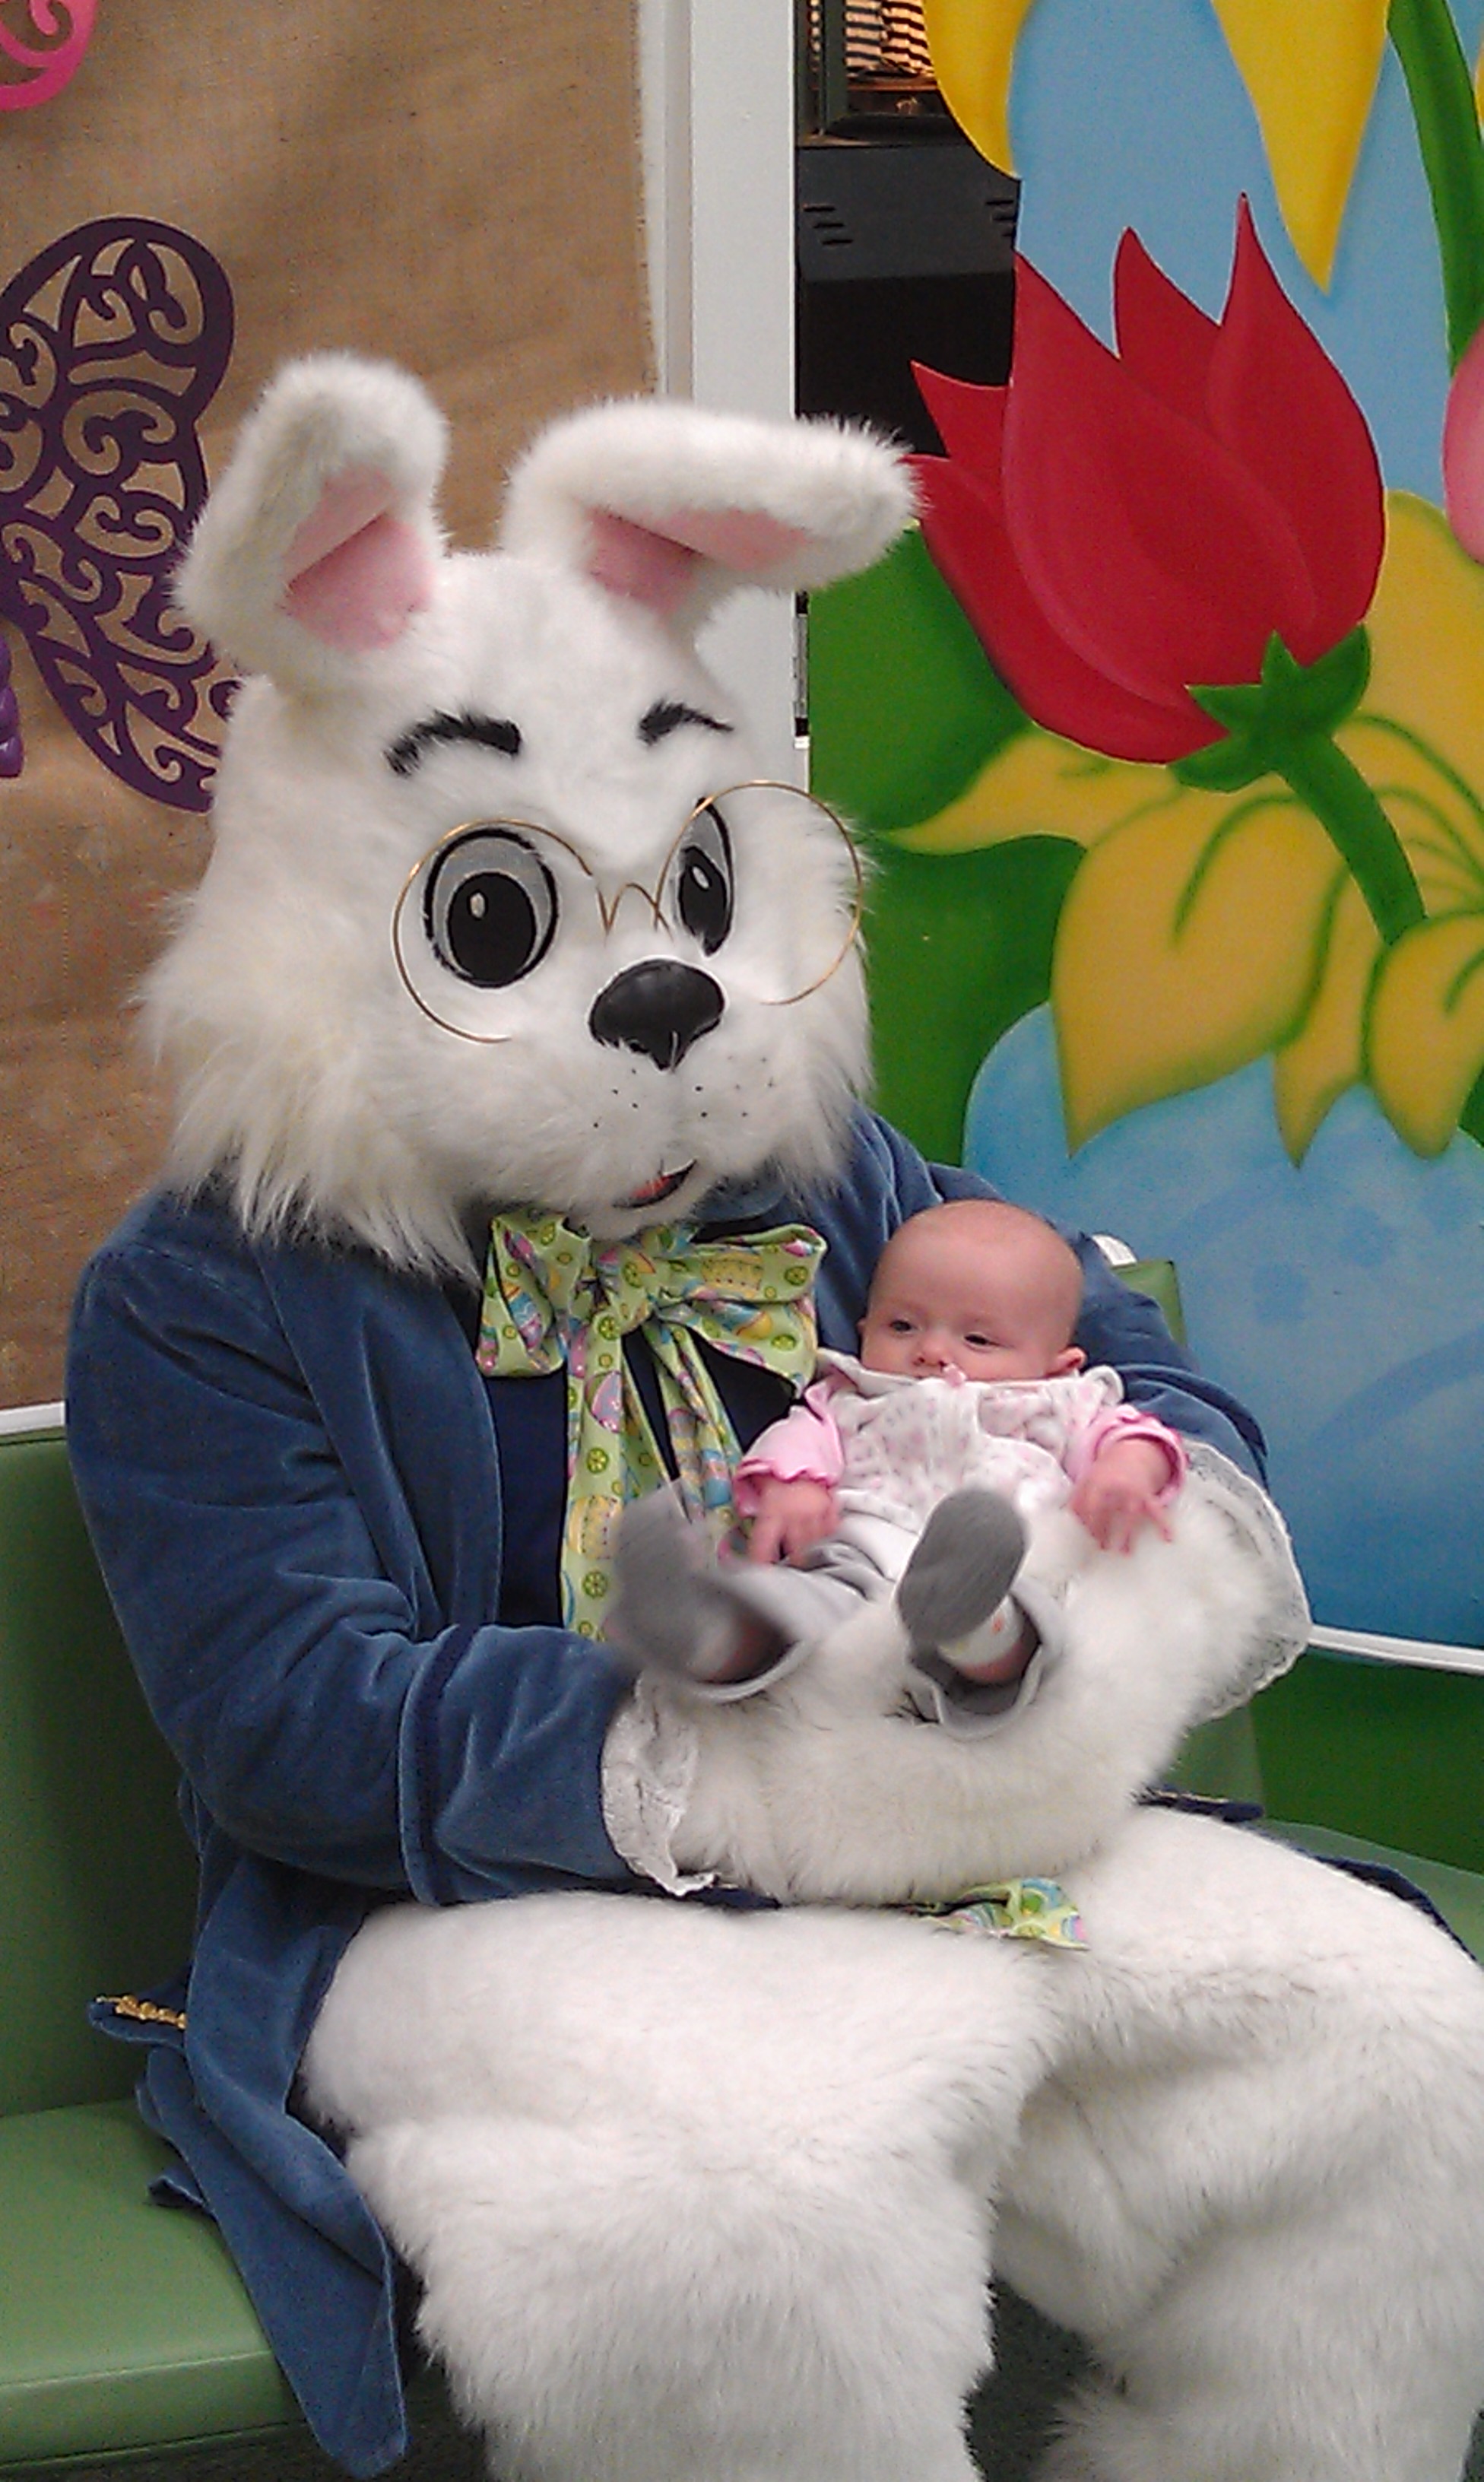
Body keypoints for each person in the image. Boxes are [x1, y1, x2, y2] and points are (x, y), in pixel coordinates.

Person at [607, 1197, 1190, 1732]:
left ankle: (973, 1632)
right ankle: (716, 1638)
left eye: (978, 1338)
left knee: (1033, 1618)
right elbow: (801, 1436)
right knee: (798, 1597)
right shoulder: (849, 1395)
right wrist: (795, 1486)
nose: (931, 1350)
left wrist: (1127, 1470)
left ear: (1060, 1365)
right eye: (902, 1325)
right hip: (861, 1556)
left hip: (1004, 1561)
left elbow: (1132, 1434)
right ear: (865, 1329)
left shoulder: (1062, 1401)